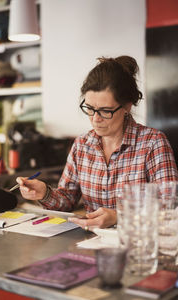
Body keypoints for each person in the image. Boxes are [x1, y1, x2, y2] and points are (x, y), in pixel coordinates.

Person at [16, 56, 178, 229]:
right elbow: (67, 200)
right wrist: (44, 193)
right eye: (90, 109)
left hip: (138, 245)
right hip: (92, 244)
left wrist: (119, 216)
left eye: (105, 111)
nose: (95, 119)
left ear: (127, 107)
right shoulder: (82, 145)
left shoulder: (153, 143)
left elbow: (170, 209)